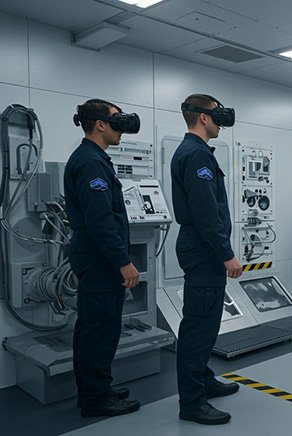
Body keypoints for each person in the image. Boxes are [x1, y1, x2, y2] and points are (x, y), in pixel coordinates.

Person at [65, 99, 142, 417]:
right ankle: (96, 399)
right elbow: (100, 221)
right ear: (99, 124)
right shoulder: (91, 162)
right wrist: (123, 261)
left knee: (91, 327)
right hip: (100, 260)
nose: (122, 127)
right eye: (116, 121)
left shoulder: (92, 158)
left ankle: (95, 389)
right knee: (101, 329)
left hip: (94, 257)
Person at [171, 94, 242, 425]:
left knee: (206, 321)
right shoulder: (196, 154)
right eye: (217, 114)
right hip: (203, 250)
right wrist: (226, 255)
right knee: (198, 327)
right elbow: (205, 213)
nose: (221, 120)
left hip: (202, 248)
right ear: (202, 117)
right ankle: (192, 402)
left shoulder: (197, 152)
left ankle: (203, 380)